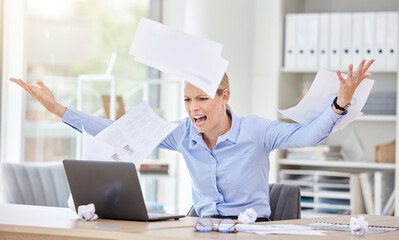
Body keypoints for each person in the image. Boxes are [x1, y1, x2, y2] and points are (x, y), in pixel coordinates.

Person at [10, 59, 375, 221]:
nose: (193, 108)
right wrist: (57, 109)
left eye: (202, 98)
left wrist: (340, 103)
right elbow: (114, 129)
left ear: (224, 96)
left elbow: (307, 135)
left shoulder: (257, 131)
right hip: (198, 228)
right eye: (187, 99)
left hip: (250, 232)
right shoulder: (184, 135)